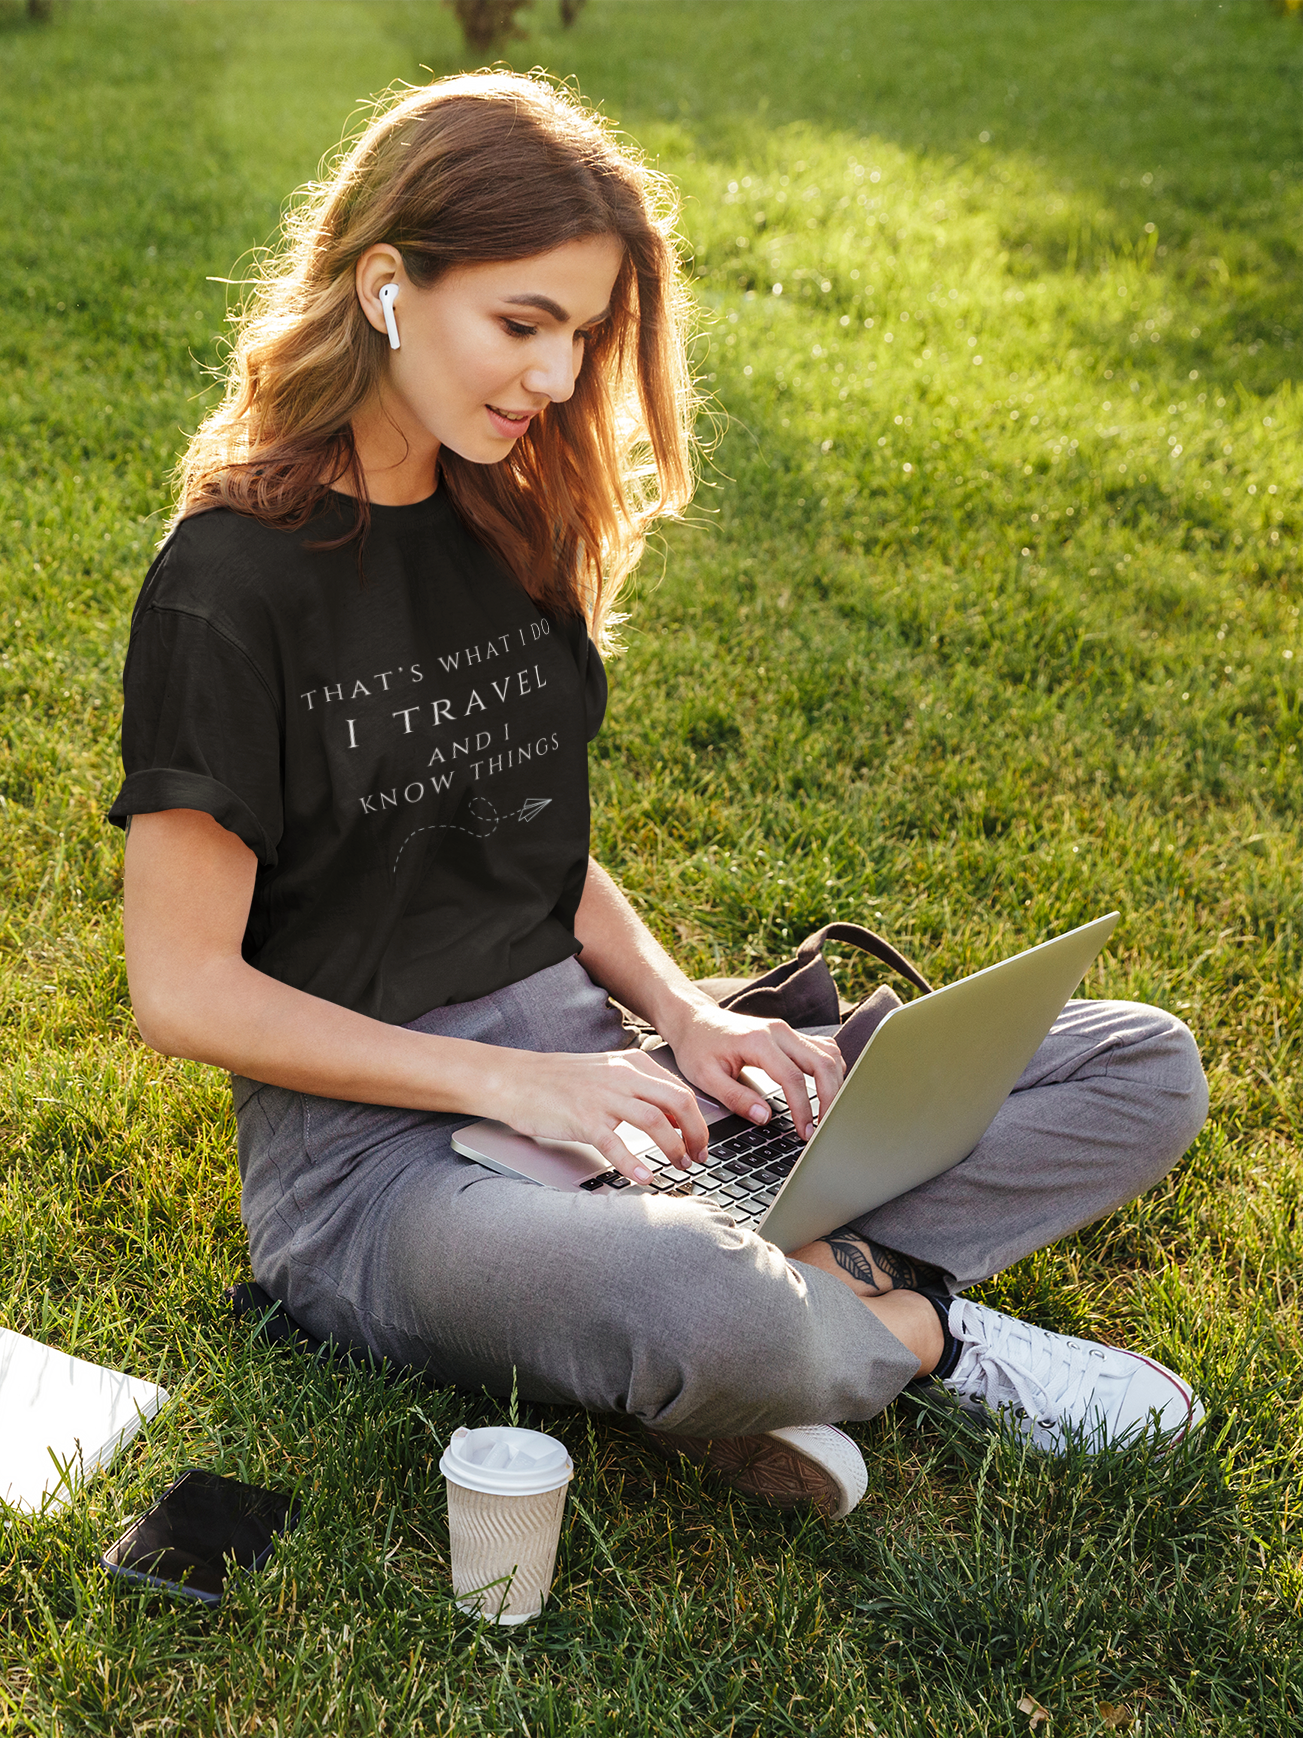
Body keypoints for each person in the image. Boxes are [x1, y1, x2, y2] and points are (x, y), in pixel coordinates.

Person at [109, 73, 1210, 1518]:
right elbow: (182, 991)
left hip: (616, 1090)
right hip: (378, 1168)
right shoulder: (229, 585)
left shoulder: (508, 513)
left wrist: (689, 1017)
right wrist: (515, 1081)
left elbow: (530, 848)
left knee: (1139, 1066)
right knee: (698, 1298)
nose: (559, 381)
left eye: (582, 335)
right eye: (523, 325)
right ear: (386, 287)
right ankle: (915, 1331)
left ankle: (798, 1297)